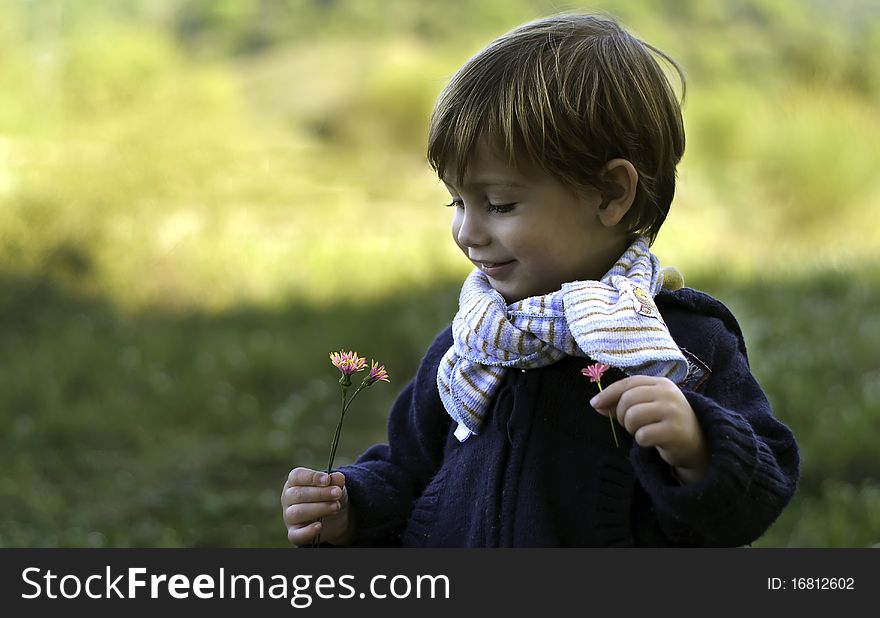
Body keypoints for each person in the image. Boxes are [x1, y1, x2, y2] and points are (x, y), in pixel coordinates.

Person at [281, 13, 799, 547]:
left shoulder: (679, 347)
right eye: (458, 201)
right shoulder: (474, 344)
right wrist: (351, 506)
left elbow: (759, 493)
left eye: (499, 204)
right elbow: (408, 469)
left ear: (608, 194)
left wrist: (698, 446)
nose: (466, 231)